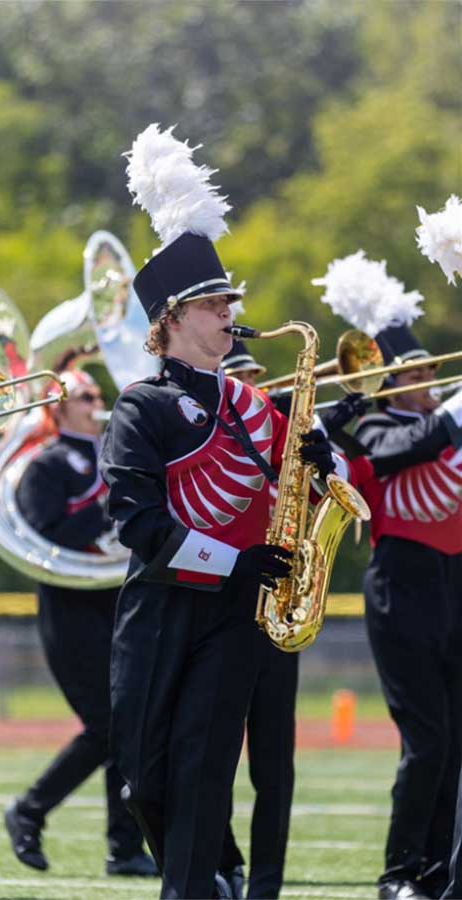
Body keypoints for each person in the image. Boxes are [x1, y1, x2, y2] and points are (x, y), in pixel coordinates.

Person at [101, 124, 354, 898]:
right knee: (145, 779)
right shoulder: (141, 407)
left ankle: (192, 888)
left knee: (206, 764)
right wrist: (231, 559)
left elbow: (328, 491)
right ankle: (216, 873)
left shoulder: (253, 402)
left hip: (238, 612)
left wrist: (322, 465)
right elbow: (137, 525)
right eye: (216, 304)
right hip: (163, 605)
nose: (230, 315)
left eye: (229, 303)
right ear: (173, 318)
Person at [314, 251, 462, 900]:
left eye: (432, 368)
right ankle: (398, 872)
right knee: (427, 741)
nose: (430, 376)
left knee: (453, 744)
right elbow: (404, 449)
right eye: (417, 370)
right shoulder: (370, 426)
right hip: (401, 585)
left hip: (453, 582)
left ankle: (438, 871)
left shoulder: (444, 424)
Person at [215, 333, 369, 899]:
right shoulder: (213, 434)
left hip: (280, 605)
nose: (256, 386)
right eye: (243, 378)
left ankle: (267, 887)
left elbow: (342, 486)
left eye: (257, 376)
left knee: (274, 767)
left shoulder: (286, 425)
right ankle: (222, 863)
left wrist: (320, 453)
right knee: (212, 760)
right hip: (226, 608)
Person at [4, 369, 156, 879]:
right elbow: (49, 537)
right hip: (68, 605)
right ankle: (29, 808)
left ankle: (124, 847)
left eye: (98, 395)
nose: (98, 403)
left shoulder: (114, 456)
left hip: (115, 598)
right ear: (60, 407)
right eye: (86, 397)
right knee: (107, 724)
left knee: (129, 723)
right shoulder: (45, 465)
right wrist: (107, 504)